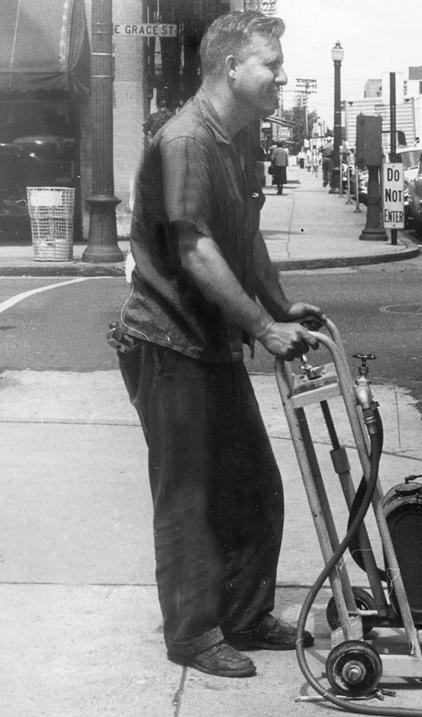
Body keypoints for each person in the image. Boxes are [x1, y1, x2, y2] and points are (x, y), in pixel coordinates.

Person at [110, 10, 322, 679]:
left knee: (254, 486)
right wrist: (263, 327)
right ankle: (194, 633)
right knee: (190, 495)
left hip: (211, 345)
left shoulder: (236, 138)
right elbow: (194, 247)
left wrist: (280, 303)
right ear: (232, 66)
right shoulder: (186, 140)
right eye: (272, 65)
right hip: (169, 343)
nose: (281, 78)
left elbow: (246, 237)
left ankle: (245, 612)